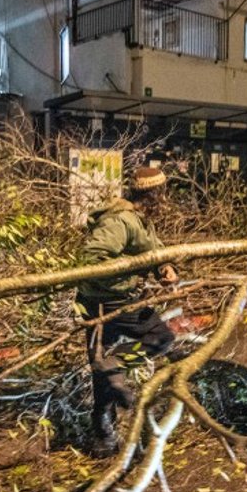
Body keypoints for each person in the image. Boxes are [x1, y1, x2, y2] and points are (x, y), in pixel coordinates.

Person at [76, 166, 179, 455]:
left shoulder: (141, 220)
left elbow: (154, 249)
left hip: (123, 299)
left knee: (154, 342)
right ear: (153, 195)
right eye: (162, 193)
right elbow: (93, 258)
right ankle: (103, 438)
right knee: (156, 340)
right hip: (102, 303)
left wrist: (164, 267)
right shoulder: (120, 221)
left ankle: (116, 365)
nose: (165, 199)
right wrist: (132, 275)